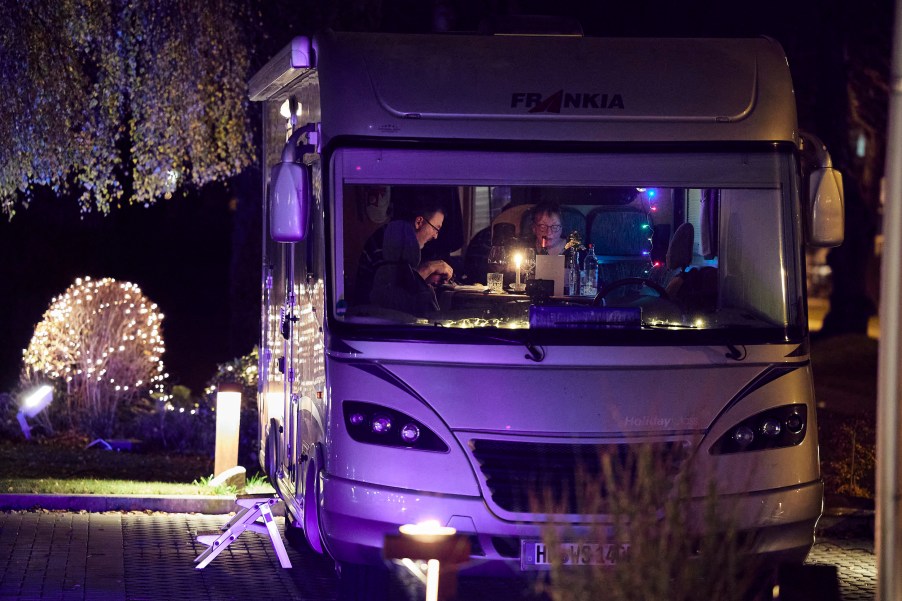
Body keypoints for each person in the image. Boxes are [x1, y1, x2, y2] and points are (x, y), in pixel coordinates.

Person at [354, 191, 454, 306]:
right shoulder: (388, 241)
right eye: (435, 228)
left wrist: (425, 280)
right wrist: (428, 268)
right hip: (371, 316)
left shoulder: (404, 240)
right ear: (419, 222)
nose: (436, 236)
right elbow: (389, 297)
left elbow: (400, 281)